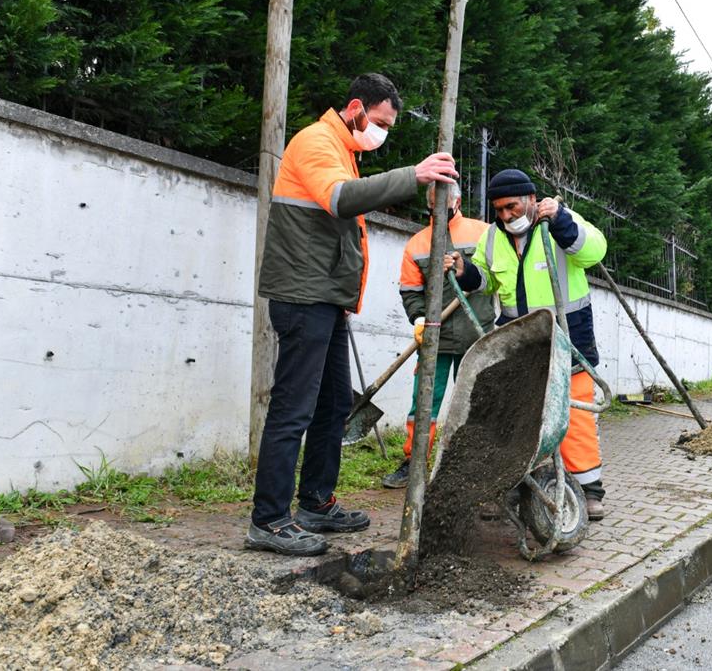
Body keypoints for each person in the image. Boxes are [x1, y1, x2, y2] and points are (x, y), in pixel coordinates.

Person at [247, 72, 457, 556]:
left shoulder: (345, 152)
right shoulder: (317, 142)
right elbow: (339, 201)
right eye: (379, 122)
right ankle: (268, 520)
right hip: (302, 297)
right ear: (356, 107)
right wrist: (415, 174)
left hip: (325, 298)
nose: (380, 133)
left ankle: (316, 504)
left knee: (334, 403)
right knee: (293, 407)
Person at [452, 168, 610, 520]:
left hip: (570, 340)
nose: (506, 215)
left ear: (530, 199)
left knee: (575, 414)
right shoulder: (492, 238)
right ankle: (519, 484)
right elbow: (486, 279)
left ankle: (589, 490)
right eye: (499, 209)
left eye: (512, 206)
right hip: (521, 342)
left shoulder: (557, 221)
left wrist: (562, 221)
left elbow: (594, 252)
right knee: (517, 415)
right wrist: (465, 271)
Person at [382, 181, 494, 488]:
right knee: (424, 403)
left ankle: (474, 463)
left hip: (478, 335)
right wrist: (419, 318)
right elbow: (410, 290)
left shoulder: (483, 233)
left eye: (442, 204)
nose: (436, 210)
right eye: (432, 205)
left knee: (476, 402)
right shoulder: (418, 243)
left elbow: (496, 277)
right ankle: (413, 461)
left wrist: (467, 270)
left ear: (457, 201)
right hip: (436, 338)